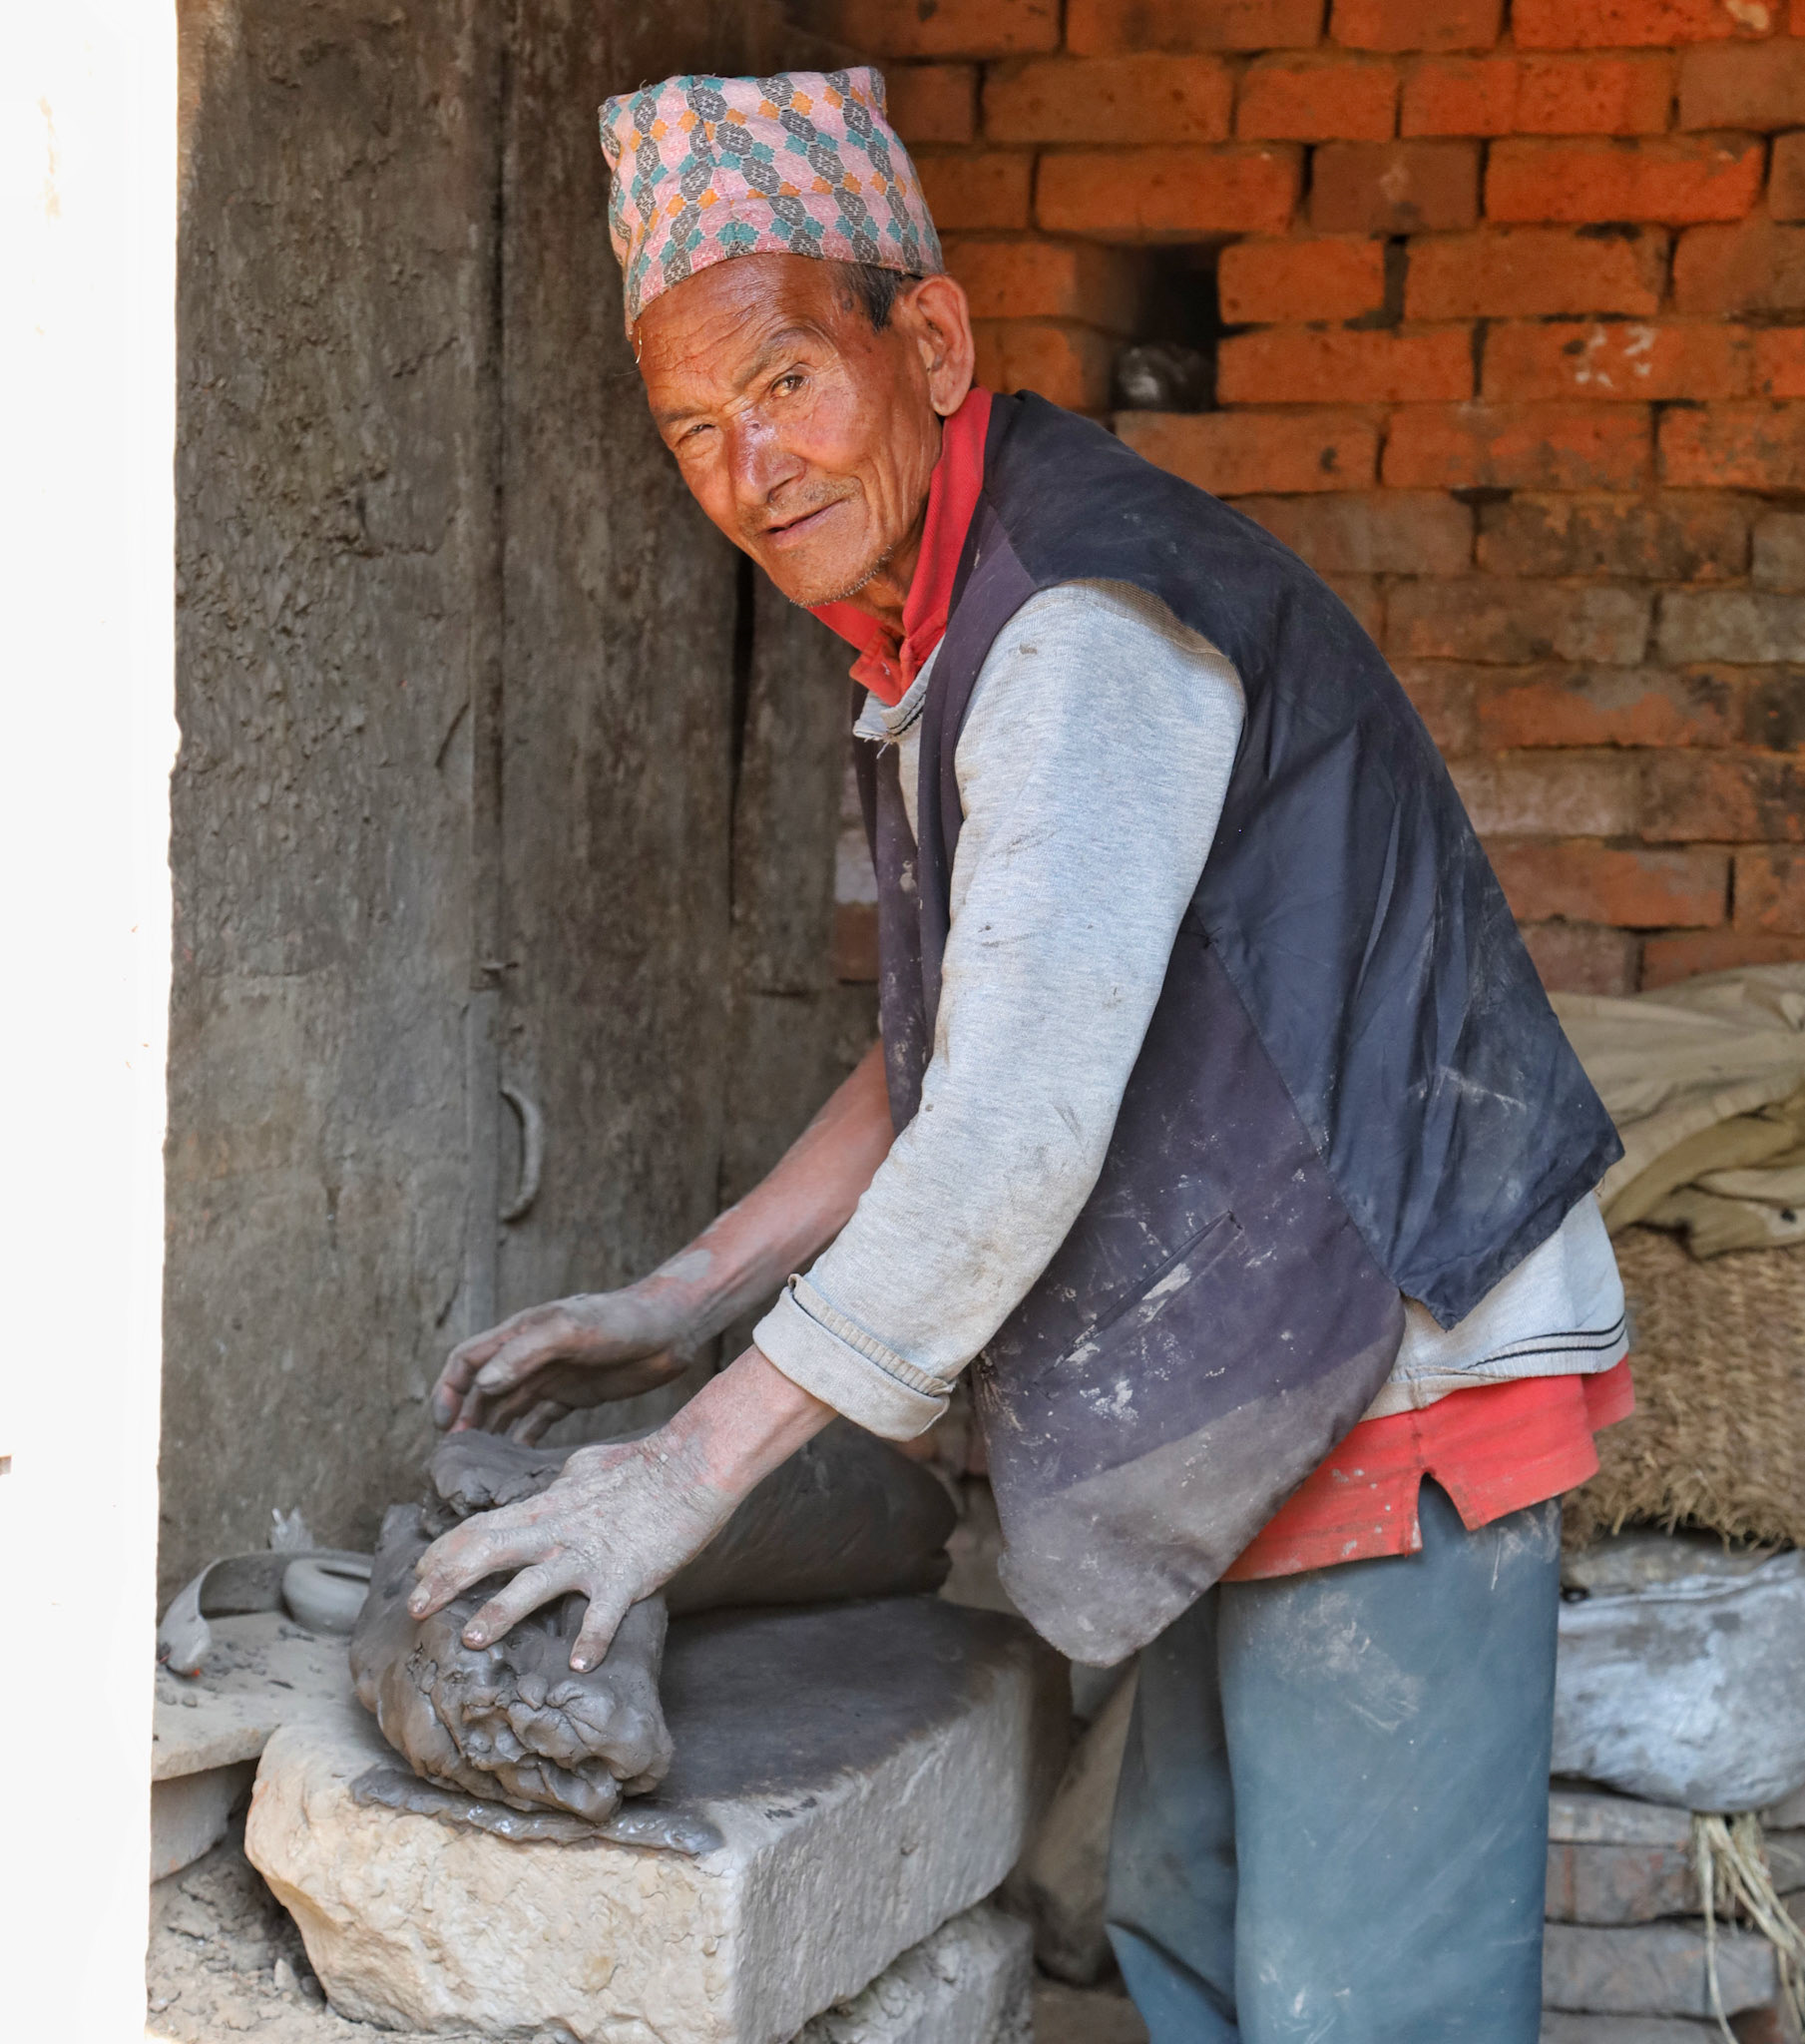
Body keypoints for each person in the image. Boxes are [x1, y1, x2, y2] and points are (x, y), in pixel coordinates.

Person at [410, 67, 1631, 2042]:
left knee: (1358, 2006)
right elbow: (963, 1033)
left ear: (930, 339)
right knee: (1180, 1912)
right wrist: (685, 1293)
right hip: (1264, 1354)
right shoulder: (936, 618)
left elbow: (1006, 1128)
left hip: (1385, 1352)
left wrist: (678, 1475)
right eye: (695, 430)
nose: (750, 468)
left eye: (786, 382)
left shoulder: (1073, 627)